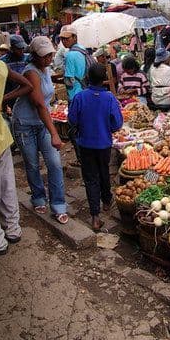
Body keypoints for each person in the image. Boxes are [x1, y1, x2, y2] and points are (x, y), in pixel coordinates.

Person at [0, 27, 32, 254]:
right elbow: (27, 85)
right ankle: (13, 229)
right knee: (7, 187)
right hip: (2, 136)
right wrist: (3, 98)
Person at [12, 36, 68, 224]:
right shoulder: (30, 72)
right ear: (34, 55)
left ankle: (59, 205)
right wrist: (54, 132)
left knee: (54, 163)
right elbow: (39, 104)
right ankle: (38, 197)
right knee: (33, 164)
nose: (48, 59)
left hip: (43, 122)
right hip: (24, 123)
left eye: (50, 55)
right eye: (43, 56)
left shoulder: (47, 69)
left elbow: (46, 101)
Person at [67, 65, 123, 232]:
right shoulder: (109, 98)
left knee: (90, 177)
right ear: (104, 79)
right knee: (104, 170)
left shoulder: (80, 97)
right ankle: (106, 201)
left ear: (87, 78)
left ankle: (95, 216)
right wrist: (108, 128)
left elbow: (72, 120)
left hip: (85, 143)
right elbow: (117, 123)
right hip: (104, 143)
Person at [61, 25, 89, 101]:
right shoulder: (82, 49)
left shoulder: (70, 55)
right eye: (62, 39)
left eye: (67, 38)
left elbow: (69, 81)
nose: (64, 41)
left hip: (75, 95)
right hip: (85, 90)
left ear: (75, 37)